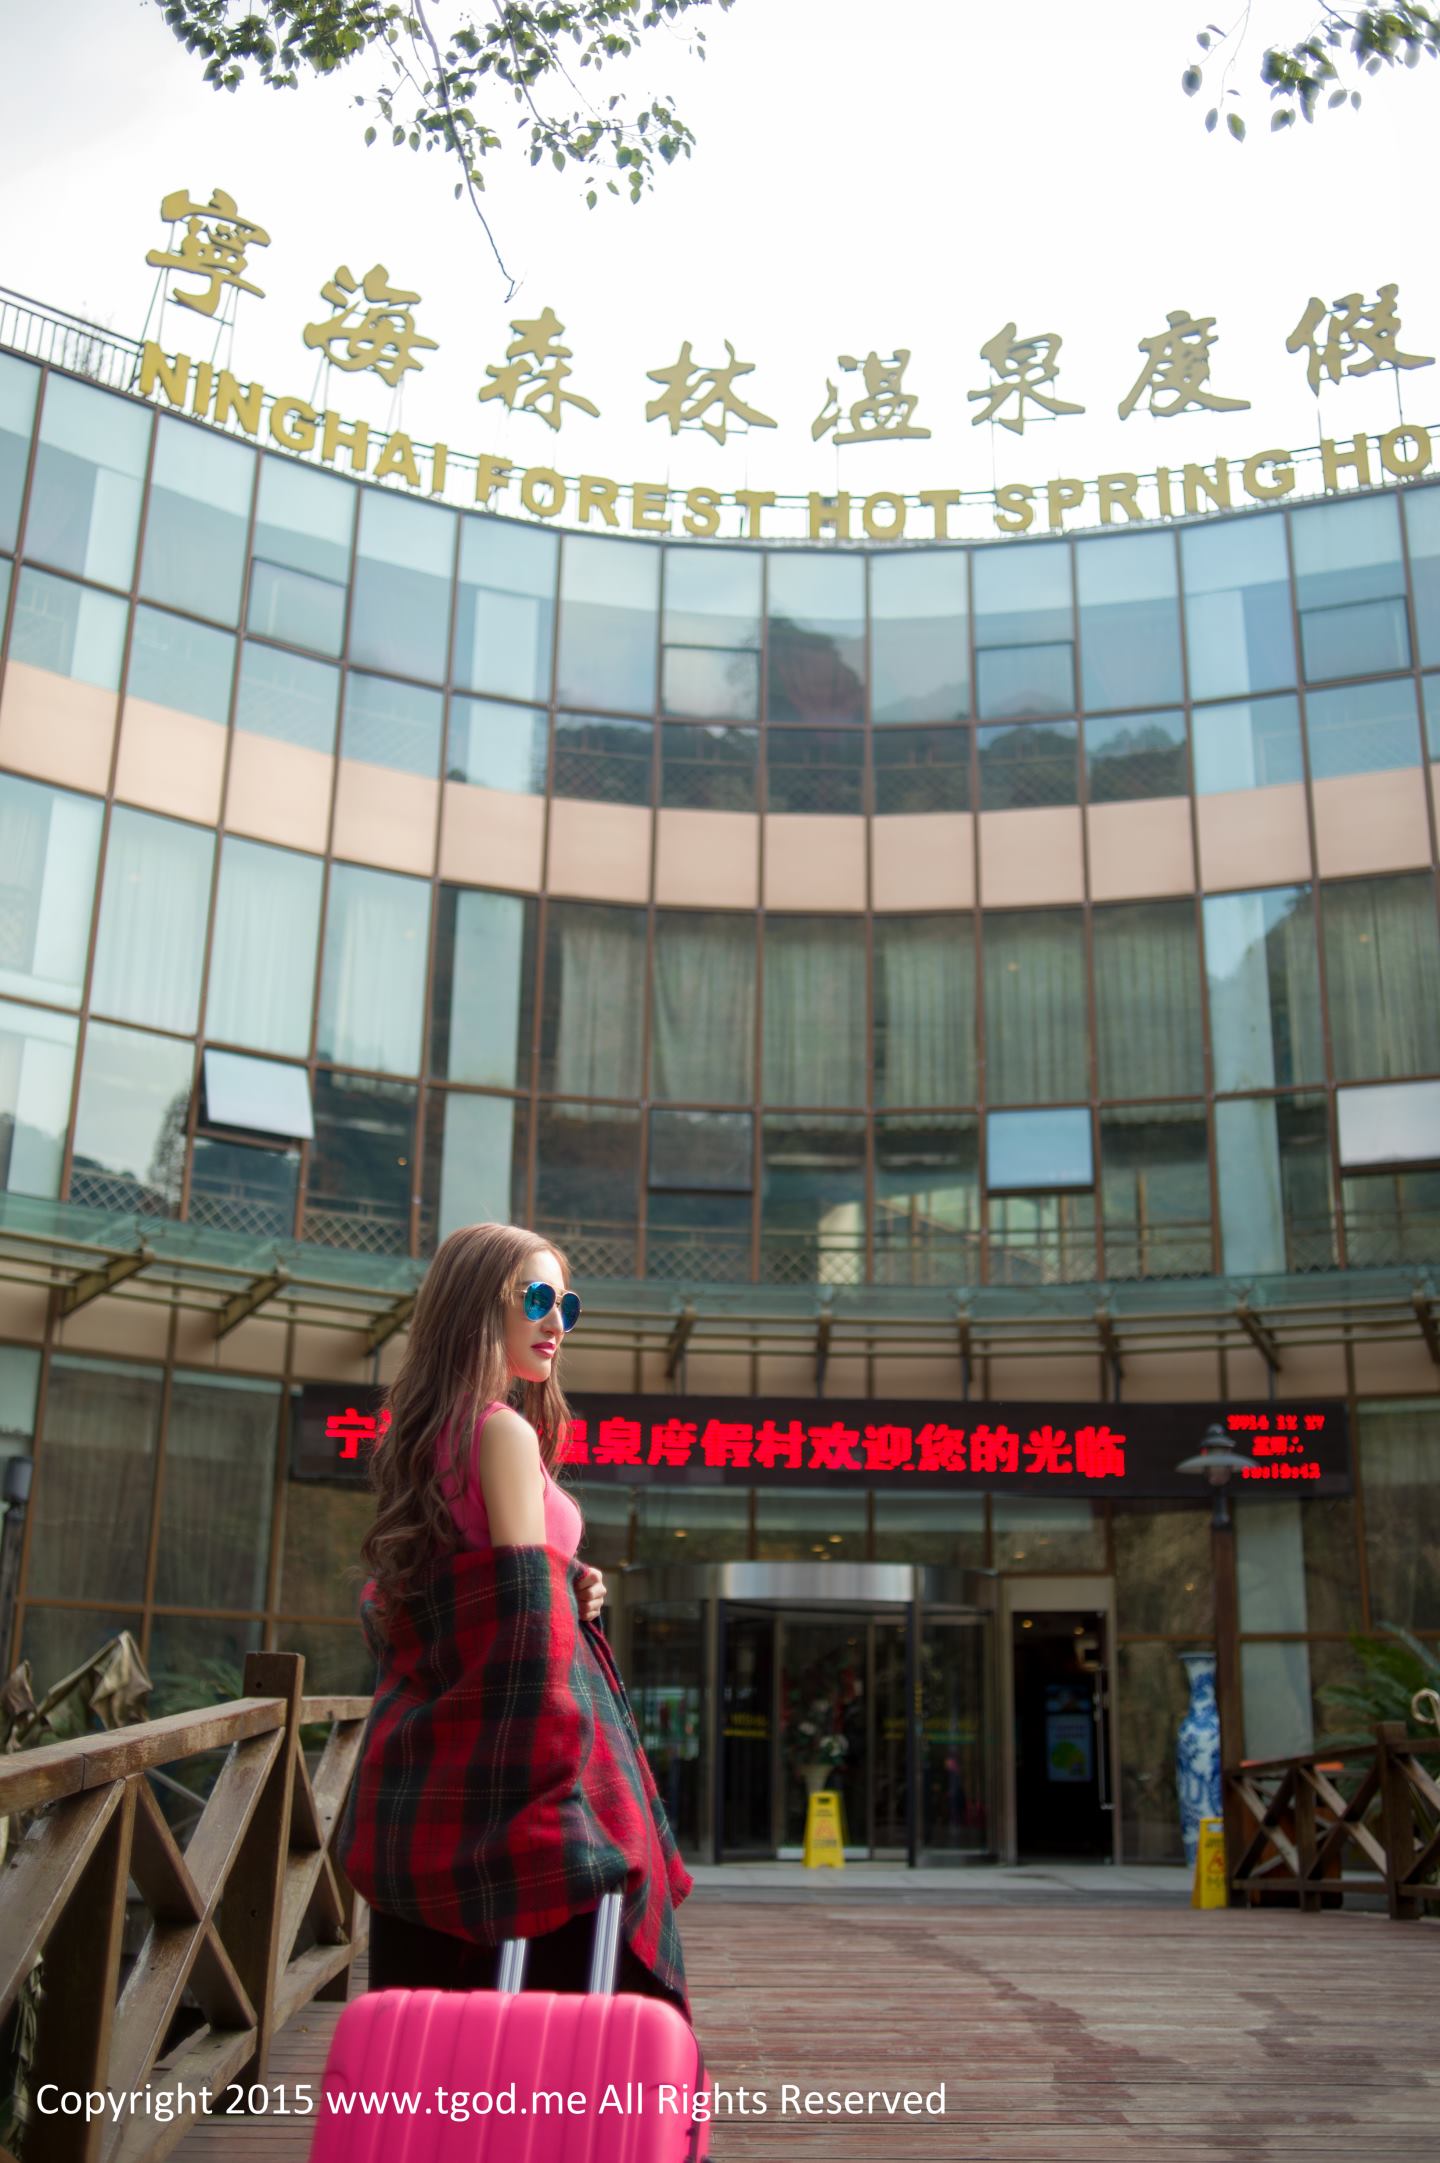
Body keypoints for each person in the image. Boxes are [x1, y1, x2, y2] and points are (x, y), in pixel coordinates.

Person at [337, 1220, 693, 2014]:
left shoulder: (432, 1430)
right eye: (536, 1299)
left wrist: (574, 1581)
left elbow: (483, 1577)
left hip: (434, 1767)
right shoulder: (501, 1429)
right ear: (478, 1304)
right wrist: (563, 1792)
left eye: (567, 1303)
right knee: (557, 2020)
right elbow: (528, 1621)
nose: (557, 1321)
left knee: (437, 2028)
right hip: (521, 1771)